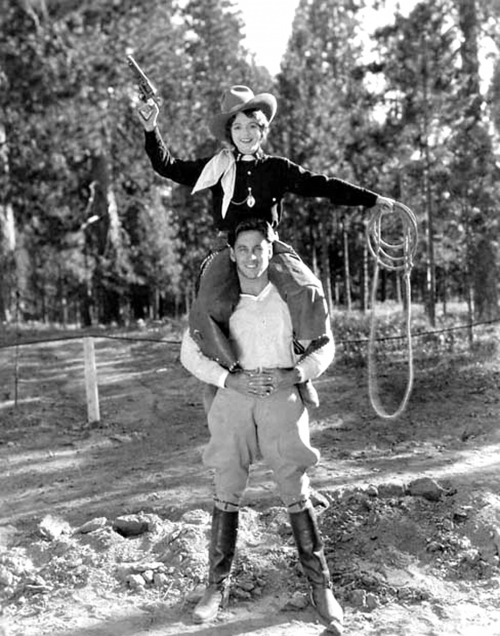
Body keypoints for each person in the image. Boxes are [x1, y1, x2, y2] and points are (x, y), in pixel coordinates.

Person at [136, 85, 395, 370]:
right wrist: (151, 129)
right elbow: (168, 167)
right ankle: (224, 366)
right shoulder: (215, 167)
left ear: (262, 130)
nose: (245, 134)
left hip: (268, 247)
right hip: (230, 247)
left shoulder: (278, 168)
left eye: (251, 126)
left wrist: (371, 199)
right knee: (208, 303)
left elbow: (322, 184)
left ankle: (303, 358)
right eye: (237, 127)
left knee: (308, 288)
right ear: (229, 133)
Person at [180, 217, 343, 635]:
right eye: (244, 249)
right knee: (227, 483)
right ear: (232, 254)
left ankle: (320, 586)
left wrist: (297, 374)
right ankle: (216, 587)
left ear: (272, 251)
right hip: (233, 398)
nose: (252, 257)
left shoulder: (290, 294)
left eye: (259, 249)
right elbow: (190, 352)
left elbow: (324, 348)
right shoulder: (220, 296)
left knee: (294, 484)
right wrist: (227, 379)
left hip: (281, 397)